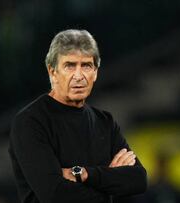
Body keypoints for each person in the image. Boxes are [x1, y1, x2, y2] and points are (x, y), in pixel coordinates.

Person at [8, 29, 147, 203]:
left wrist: (84, 174)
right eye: (70, 65)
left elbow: (138, 179)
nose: (79, 76)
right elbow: (55, 194)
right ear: (52, 72)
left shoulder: (105, 122)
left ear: (95, 72)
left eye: (87, 66)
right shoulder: (30, 122)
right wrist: (110, 181)